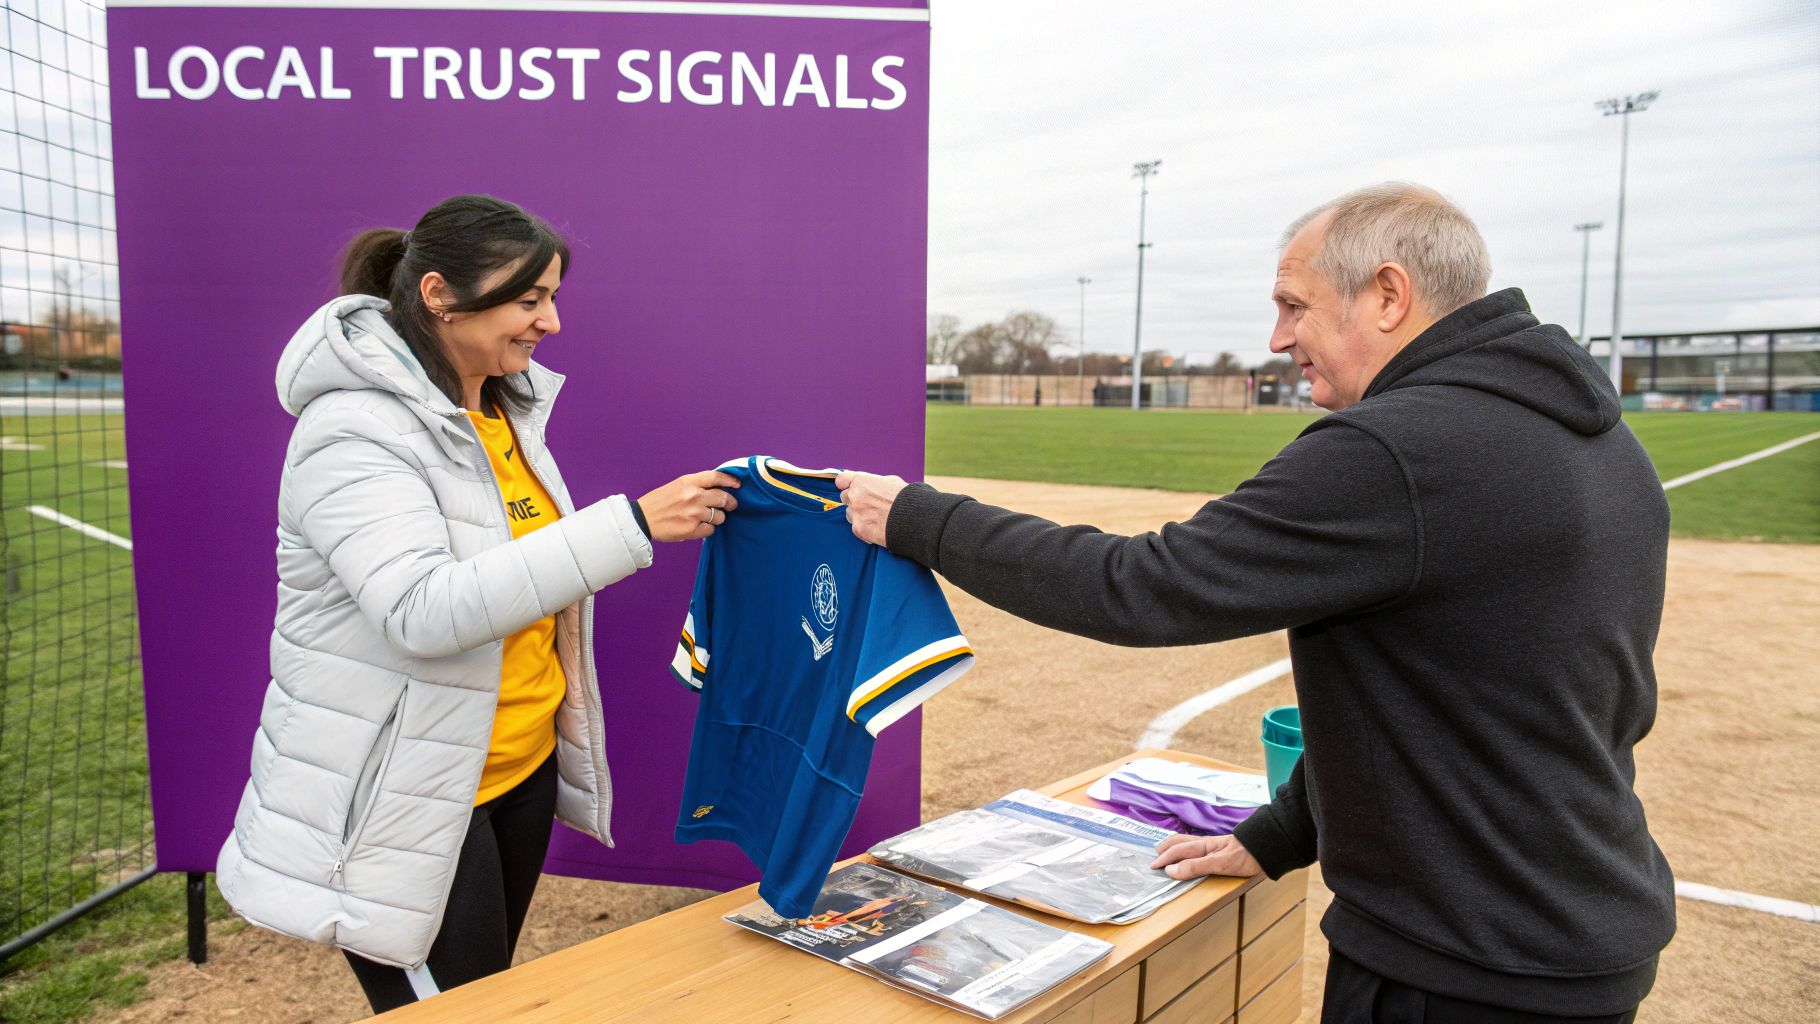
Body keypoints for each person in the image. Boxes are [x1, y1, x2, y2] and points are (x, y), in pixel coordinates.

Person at [839, 182, 1674, 1023]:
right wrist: (1278, 833)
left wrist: (917, 518)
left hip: (1465, 960)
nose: (1278, 340)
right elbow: (1456, 691)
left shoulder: (1397, 450)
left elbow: (1142, 587)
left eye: (1294, 306)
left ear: (1388, 295)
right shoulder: (1590, 432)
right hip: (1566, 923)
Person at [215, 194, 739, 1014]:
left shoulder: (499, 409)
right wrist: (633, 525)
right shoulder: (353, 430)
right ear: (437, 296)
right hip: (407, 794)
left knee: (488, 991)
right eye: (528, 299)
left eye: (553, 298)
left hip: (512, 768)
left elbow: (519, 581)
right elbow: (423, 610)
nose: (551, 323)